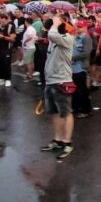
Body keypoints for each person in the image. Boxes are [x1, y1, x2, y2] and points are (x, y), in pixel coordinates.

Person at [40, 15, 76, 161]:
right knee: (53, 112)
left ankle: (67, 142)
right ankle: (57, 139)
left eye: (57, 22)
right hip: (50, 81)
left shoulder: (67, 38)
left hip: (62, 81)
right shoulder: (54, 39)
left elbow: (52, 33)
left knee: (66, 112)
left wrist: (56, 23)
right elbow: (49, 34)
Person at [71, 20, 92, 118]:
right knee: (74, 89)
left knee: (82, 89)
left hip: (80, 67)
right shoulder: (74, 37)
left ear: (84, 28)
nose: (78, 28)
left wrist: (73, 58)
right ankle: (76, 107)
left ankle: (86, 110)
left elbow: (86, 53)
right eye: (77, 26)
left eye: (80, 27)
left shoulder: (86, 38)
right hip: (73, 68)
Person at [0, 14, 15, 87]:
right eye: (1, 20)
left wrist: (3, 37)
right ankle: (0, 78)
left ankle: (8, 79)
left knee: (6, 63)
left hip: (7, 48)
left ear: (7, 20)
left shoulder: (11, 27)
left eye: (4, 20)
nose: (2, 21)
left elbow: (12, 38)